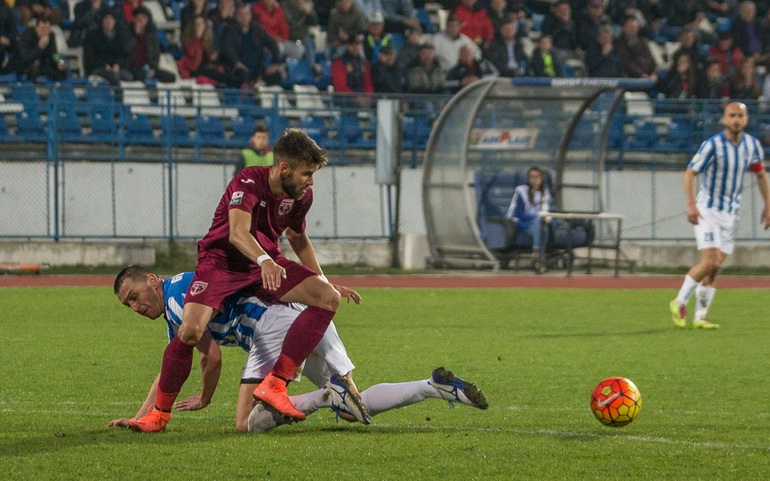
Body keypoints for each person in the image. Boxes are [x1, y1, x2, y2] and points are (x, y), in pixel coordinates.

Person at [126, 128, 363, 432]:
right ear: (284, 168)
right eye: (307, 173)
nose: (311, 181)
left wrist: (322, 280)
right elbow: (237, 233)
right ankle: (159, 415)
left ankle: (276, 384)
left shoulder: (300, 195)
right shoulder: (248, 181)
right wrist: (264, 259)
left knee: (327, 298)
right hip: (222, 263)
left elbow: (297, 237)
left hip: (265, 262)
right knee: (189, 331)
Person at [108, 266, 489, 432]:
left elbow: (212, 358)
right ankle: (434, 386)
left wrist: (206, 398)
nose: (136, 307)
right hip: (311, 313)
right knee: (354, 407)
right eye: (128, 305)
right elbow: (169, 369)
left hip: (271, 328)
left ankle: (325, 395)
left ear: (152, 281)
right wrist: (142, 414)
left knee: (244, 424)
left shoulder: (176, 300)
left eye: (135, 295)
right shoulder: (183, 294)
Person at [669, 102, 770, 330]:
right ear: (724, 119)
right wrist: (691, 205)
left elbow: (761, 175)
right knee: (710, 261)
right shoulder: (713, 145)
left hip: (730, 214)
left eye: (740, 116)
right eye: (732, 115)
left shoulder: (752, 145)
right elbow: (690, 172)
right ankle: (679, 301)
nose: (736, 119)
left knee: (715, 267)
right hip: (708, 210)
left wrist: (768, 205)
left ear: (746, 119)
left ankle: (701, 316)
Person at [505, 166, 555, 267]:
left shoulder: (545, 193)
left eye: (537, 177)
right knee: (537, 220)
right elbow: (517, 214)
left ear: (541, 178)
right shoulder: (521, 192)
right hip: (522, 223)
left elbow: (548, 211)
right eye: (531, 177)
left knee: (544, 229)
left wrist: (548, 220)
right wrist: (534, 217)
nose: (534, 180)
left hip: (538, 225)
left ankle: (539, 261)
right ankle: (537, 252)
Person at [8, 15, 68, 82]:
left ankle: (59, 88)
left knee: (61, 67)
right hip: (23, 65)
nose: (45, 32)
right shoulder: (28, 35)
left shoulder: (50, 35)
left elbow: (54, 53)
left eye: (47, 29)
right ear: (36, 28)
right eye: (42, 28)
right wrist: (40, 47)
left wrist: (59, 62)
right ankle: (32, 89)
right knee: (35, 64)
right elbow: (26, 57)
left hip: (41, 64)